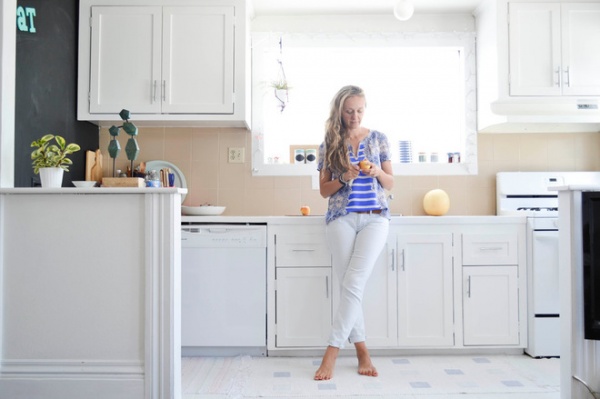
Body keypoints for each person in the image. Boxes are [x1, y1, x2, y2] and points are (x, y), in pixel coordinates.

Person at [315, 85, 394, 380]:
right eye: (349, 111)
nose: (355, 116)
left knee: (354, 281)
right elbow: (324, 190)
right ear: (339, 111)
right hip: (341, 219)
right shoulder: (328, 142)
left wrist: (377, 172)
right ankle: (362, 351)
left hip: (375, 219)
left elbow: (390, 183)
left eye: (360, 110)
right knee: (351, 285)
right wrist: (343, 178)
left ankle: (331, 353)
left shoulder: (379, 139)